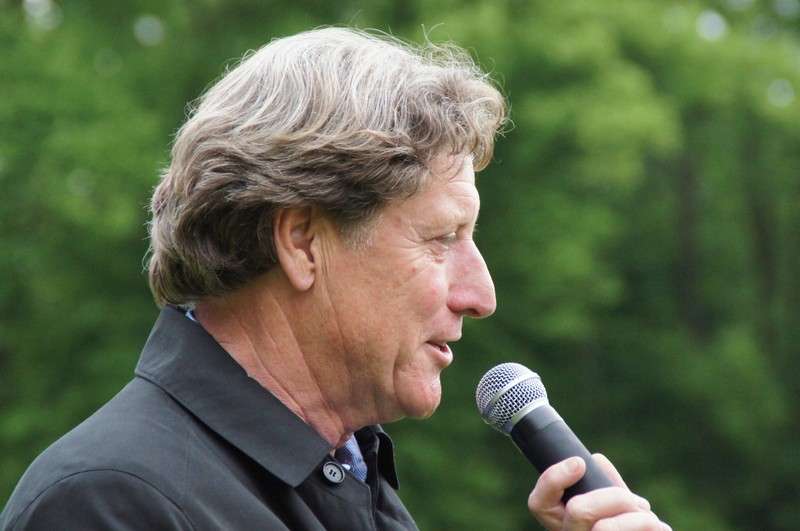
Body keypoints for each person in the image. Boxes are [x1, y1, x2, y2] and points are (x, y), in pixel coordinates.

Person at [0, 27, 669, 530]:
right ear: (302, 243)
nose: (481, 296)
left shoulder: (352, 483)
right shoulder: (110, 502)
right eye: (441, 239)